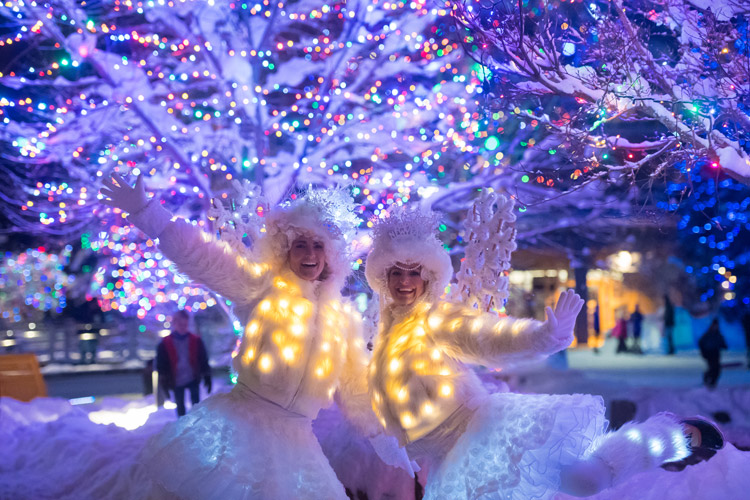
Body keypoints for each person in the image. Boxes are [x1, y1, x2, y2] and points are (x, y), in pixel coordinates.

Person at [364, 204, 724, 500]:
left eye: (413, 273)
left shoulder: (435, 317)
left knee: (586, 481)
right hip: (447, 458)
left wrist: (546, 335)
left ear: (428, 276)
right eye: (396, 273)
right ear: (383, 277)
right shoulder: (385, 330)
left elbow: (490, 336)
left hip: (484, 431)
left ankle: (671, 435)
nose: (405, 282)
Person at [100, 174, 412, 499]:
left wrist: (384, 438)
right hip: (242, 427)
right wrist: (150, 214)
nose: (309, 254)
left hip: (297, 443)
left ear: (330, 255)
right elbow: (204, 258)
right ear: (284, 250)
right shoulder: (263, 288)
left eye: (318, 245)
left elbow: (356, 386)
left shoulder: (342, 320)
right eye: (300, 244)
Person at [155, 309, 211, 417]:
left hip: (192, 377)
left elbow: (203, 359)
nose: (183, 327)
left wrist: (207, 375)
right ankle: (182, 426)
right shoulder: (165, 343)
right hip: (176, 380)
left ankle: (196, 425)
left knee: (196, 404)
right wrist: (163, 381)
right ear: (174, 323)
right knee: (180, 406)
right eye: (180, 324)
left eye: (185, 324)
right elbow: (161, 364)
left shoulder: (196, 340)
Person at [698, 318, 727, 389]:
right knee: (712, 367)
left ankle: (712, 381)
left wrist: (723, 345)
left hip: (716, 353)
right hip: (709, 354)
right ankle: (708, 379)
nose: (715, 327)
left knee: (716, 369)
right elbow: (701, 342)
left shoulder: (718, 334)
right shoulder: (708, 334)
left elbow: (723, 343)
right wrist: (704, 352)